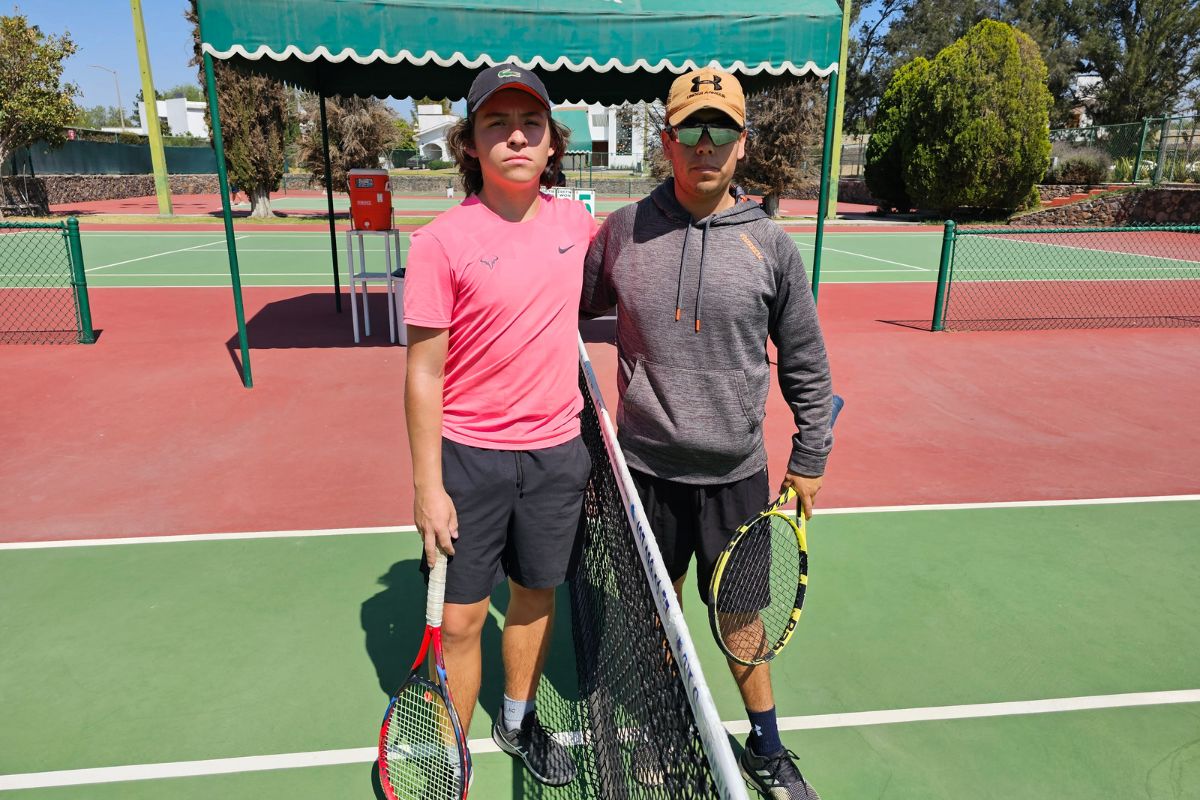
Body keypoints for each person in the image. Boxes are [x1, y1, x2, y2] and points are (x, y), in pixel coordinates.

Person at [581, 68, 834, 800]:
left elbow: (808, 364)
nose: (705, 144)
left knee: (741, 619)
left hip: (735, 477)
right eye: (690, 129)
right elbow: (569, 304)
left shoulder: (773, 247)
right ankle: (666, 732)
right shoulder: (625, 232)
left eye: (720, 129)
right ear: (665, 141)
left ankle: (767, 747)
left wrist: (810, 456)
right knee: (659, 615)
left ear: (743, 144)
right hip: (645, 474)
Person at [403, 63, 597, 788]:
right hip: (469, 461)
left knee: (536, 596)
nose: (515, 136)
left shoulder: (579, 226)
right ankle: (453, 755)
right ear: (471, 144)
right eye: (497, 124)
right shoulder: (439, 243)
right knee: (459, 622)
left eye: (531, 125)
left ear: (551, 145)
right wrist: (428, 486)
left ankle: (516, 721)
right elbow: (423, 373)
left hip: (556, 457)